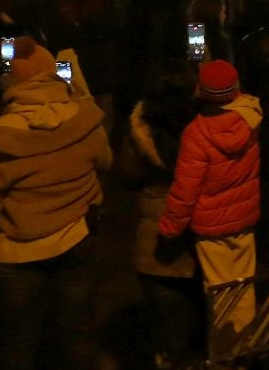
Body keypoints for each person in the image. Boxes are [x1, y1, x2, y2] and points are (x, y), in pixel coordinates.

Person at [0, 42, 110, 370]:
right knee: (78, 332)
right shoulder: (85, 119)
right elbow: (104, 162)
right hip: (77, 238)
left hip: (17, 253)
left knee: (19, 339)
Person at [158, 59, 263, 339]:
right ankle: (247, 346)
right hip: (244, 219)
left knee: (219, 291)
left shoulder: (196, 133)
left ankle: (226, 351)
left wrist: (169, 230)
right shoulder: (251, 117)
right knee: (244, 286)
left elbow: (185, 191)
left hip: (211, 229)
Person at [115, 59, 202, 366]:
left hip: (156, 238)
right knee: (200, 312)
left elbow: (127, 175)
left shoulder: (140, 131)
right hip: (200, 233)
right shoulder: (204, 126)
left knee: (167, 320)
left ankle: (169, 358)